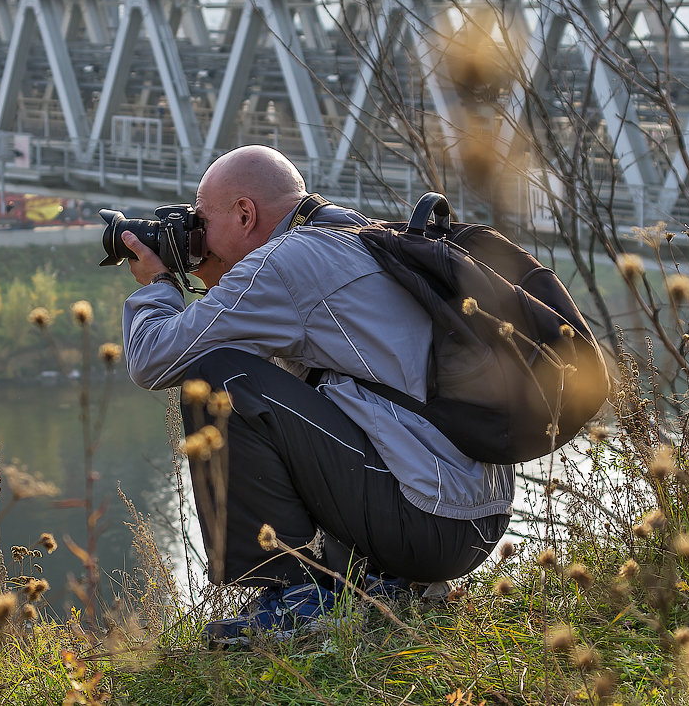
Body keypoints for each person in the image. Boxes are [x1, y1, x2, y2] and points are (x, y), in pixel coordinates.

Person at [120, 145, 513, 645]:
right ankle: (376, 581)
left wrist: (158, 282)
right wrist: (215, 278)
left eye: (202, 223)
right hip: (471, 521)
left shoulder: (286, 262)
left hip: (428, 525)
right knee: (266, 378)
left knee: (218, 377)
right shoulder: (347, 231)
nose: (197, 240)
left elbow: (153, 360)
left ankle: (296, 597)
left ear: (245, 213)